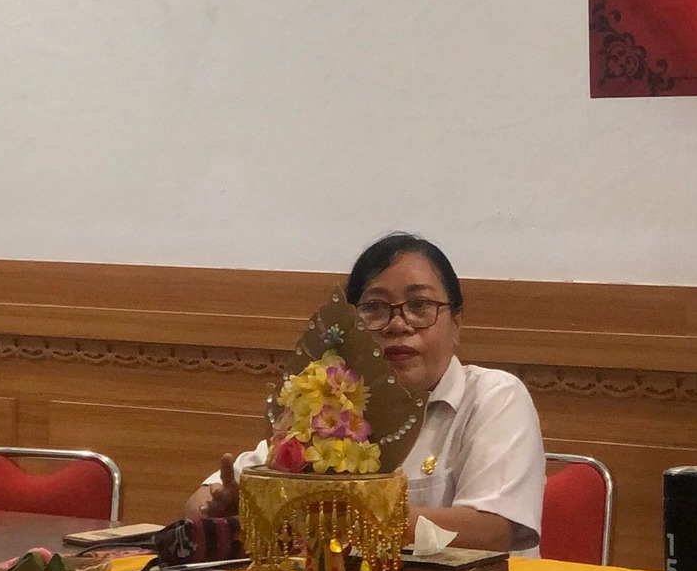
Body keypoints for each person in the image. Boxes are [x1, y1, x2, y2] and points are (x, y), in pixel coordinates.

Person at [188, 233, 547, 554]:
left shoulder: (493, 397)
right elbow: (195, 505)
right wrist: (233, 511)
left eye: (419, 305)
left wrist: (328, 517)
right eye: (374, 308)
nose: (397, 324)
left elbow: (491, 530)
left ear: (456, 322)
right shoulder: (331, 407)